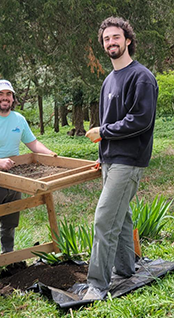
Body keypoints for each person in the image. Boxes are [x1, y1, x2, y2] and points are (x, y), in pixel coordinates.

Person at [84, 17, 158, 301]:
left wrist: (104, 132)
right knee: (121, 216)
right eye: (106, 39)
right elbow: (109, 121)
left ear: (128, 40)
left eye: (116, 37)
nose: (110, 42)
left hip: (129, 160)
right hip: (111, 160)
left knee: (104, 219)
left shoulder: (142, 77)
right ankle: (126, 269)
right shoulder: (108, 80)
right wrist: (103, 156)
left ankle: (97, 286)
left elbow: (141, 120)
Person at [0, 79, 56, 277]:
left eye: (8, 94)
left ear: (13, 98)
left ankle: (8, 257)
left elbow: (33, 144)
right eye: (0, 94)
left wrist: (51, 156)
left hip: (15, 177)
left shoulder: (18, 120)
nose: (5, 98)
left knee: (10, 220)